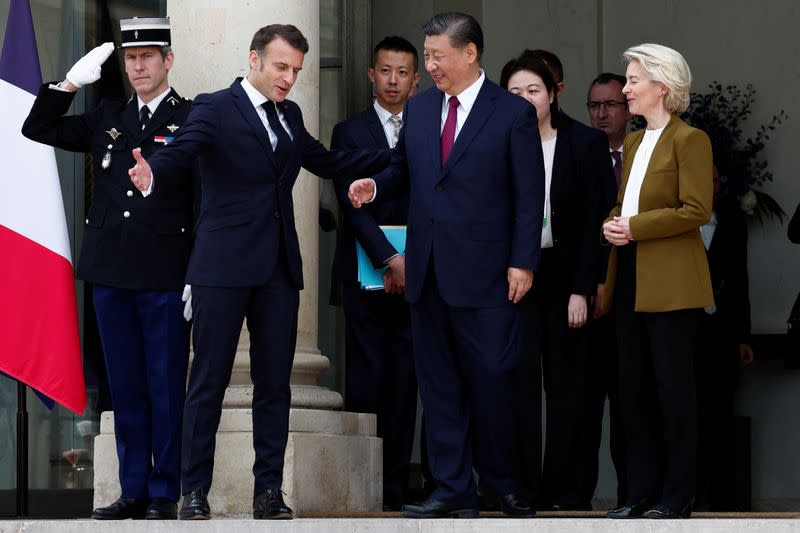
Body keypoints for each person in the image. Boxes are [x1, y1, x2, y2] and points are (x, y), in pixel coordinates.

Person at [128, 24, 391, 520]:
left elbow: (328, 160)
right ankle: (195, 492)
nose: (289, 78)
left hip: (277, 269)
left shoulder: (289, 116)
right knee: (208, 381)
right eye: (281, 67)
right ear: (255, 60)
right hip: (221, 266)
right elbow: (183, 150)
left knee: (275, 384)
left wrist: (398, 156)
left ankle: (268, 492)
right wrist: (154, 171)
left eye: (296, 69)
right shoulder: (215, 106)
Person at [348, 12, 543, 519]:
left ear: (470, 53)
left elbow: (529, 196)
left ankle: (503, 484)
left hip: (488, 274)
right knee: (439, 388)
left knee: (493, 381)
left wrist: (523, 262)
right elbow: (403, 172)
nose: (428, 65)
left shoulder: (511, 113)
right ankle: (452, 490)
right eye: (426, 54)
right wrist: (375, 186)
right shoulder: (421, 108)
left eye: (436, 55)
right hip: (428, 273)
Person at [22, 17, 193, 520]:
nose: (138, 66)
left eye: (148, 57)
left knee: (164, 386)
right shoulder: (108, 115)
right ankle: (132, 488)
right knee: (124, 387)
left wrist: (197, 273)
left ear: (168, 60)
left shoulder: (192, 117)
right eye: (130, 58)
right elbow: (39, 128)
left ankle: (164, 490)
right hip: (110, 272)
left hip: (164, 272)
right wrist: (68, 84)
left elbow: (203, 198)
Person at [602, 43, 713, 520]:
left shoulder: (691, 140)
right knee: (633, 390)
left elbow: (696, 210)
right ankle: (639, 492)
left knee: (673, 391)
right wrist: (611, 222)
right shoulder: (630, 142)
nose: (624, 89)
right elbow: (626, 207)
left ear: (662, 87)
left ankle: (678, 494)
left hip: (670, 283)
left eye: (632, 81)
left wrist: (634, 227)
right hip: (628, 276)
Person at [500, 52, 615, 511]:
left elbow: (596, 219)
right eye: (514, 92)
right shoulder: (500, 140)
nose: (525, 100)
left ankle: (566, 491)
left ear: (553, 93)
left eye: (533, 90)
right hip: (515, 278)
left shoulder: (583, 142)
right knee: (517, 386)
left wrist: (582, 288)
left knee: (568, 388)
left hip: (566, 278)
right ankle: (522, 488)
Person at [329, 35, 421, 510]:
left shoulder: (428, 125)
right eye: (385, 70)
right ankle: (363, 484)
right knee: (366, 377)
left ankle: (397, 487)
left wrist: (412, 260)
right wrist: (391, 258)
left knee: (408, 381)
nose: (393, 80)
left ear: (416, 78)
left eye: (403, 72)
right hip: (367, 269)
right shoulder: (349, 131)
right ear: (371, 73)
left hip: (419, 271)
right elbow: (352, 204)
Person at [581, 71, 632, 508]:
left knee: (631, 402)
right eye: (594, 105)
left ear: (628, 107)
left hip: (634, 293)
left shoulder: (642, 152)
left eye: (610, 104)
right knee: (583, 405)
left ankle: (633, 493)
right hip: (587, 295)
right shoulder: (582, 152)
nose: (601, 113)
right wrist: (593, 280)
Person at [694, 168, 753, 510]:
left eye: (715, 180)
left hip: (723, 335)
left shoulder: (732, 222)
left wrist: (743, 336)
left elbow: (741, 280)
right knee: (687, 416)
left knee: (720, 415)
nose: (710, 186)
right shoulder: (678, 222)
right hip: (687, 334)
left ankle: (721, 501)